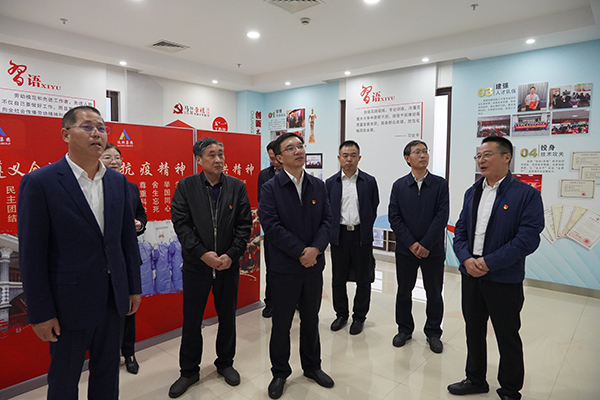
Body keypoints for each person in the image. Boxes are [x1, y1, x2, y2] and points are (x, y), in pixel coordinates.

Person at [17, 106, 142, 400]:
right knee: (64, 379)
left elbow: (126, 240)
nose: (96, 133)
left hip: (112, 299)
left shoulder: (118, 182)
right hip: (67, 305)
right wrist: (40, 312)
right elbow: (32, 255)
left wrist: (133, 287)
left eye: (101, 128)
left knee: (107, 373)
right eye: (87, 127)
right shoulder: (41, 182)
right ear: (66, 134)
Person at [448, 136, 544, 400]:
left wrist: (489, 262)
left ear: (506, 157)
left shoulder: (526, 195)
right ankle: (475, 378)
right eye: (478, 156)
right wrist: (466, 259)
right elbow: (461, 230)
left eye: (487, 154)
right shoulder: (472, 192)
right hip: (471, 273)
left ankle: (510, 389)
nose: (481, 160)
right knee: (473, 330)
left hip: (504, 278)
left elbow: (527, 239)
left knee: (507, 334)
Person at [169, 137, 252, 398]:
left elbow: (244, 225)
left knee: (227, 317)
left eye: (221, 154)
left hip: (227, 265)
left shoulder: (237, 186)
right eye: (212, 155)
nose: (218, 159)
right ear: (199, 160)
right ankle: (189, 371)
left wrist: (231, 255)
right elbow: (181, 224)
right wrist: (202, 254)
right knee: (192, 320)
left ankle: (225, 363)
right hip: (197, 266)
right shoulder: (186, 186)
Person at [258, 132, 333, 399]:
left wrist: (316, 249)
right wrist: (301, 251)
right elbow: (272, 227)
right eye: (290, 148)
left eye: (300, 146)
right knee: (282, 323)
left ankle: (312, 366)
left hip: (312, 267)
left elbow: (327, 220)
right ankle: (280, 372)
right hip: (284, 268)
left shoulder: (318, 185)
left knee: (311, 319)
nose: (298, 151)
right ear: (279, 158)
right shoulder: (270, 188)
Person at [388, 140, 449, 353]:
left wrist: (425, 244)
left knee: (434, 292)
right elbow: (394, 218)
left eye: (425, 151)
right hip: (406, 250)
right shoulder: (399, 186)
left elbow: (442, 217)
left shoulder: (440, 184)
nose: (422, 155)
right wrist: (412, 244)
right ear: (407, 158)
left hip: (433, 250)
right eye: (417, 152)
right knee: (404, 291)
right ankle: (404, 329)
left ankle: (433, 332)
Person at [101, 142, 148, 375]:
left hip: (126, 258)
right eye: (107, 157)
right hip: (101, 263)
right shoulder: (92, 188)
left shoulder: (130, 187)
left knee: (129, 308)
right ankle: (106, 355)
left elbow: (141, 214)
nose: (114, 161)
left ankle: (129, 352)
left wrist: (139, 224)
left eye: (117, 157)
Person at [326, 140, 379, 335]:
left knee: (363, 279)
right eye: (345, 155)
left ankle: (359, 317)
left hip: (361, 236)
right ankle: (341, 314)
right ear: (339, 158)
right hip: (339, 235)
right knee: (338, 278)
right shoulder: (330, 183)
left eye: (353, 155)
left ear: (359, 158)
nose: (349, 159)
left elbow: (373, 206)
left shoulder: (369, 181)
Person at [257, 140, 284, 318]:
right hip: (272, 231)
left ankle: (294, 301)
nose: (274, 162)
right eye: (271, 159)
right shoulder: (264, 175)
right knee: (272, 269)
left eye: (276, 158)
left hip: (292, 230)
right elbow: (262, 201)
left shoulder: (294, 174)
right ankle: (271, 302)